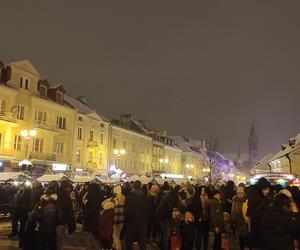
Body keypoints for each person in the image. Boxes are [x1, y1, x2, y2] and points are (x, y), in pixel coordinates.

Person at [124, 180, 153, 250]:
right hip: (143, 222)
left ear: (133, 187)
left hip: (131, 222)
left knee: (129, 241)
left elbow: (126, 211)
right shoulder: (146, 197)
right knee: (142, 242)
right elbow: (150, 210)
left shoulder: (129, 197)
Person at [246, 177, 271, 249]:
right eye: (265, 189)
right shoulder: (255, 198)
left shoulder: (264, 197)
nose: (267, 191)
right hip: (256, 224)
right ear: (260, 188)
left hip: (263, 227)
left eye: (268, 189)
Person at [35, 181, 59, 250]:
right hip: (53, 226)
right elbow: (59, 214)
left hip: (42, 226)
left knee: (42, 243)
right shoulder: (56, 202)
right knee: (52, 243)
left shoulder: (41, 202)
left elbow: (36, 215)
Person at [155, 185, 180, 250]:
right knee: (166, 235)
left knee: (162, 234)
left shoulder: (169, 195)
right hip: (163, 218)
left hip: (160, 216)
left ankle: (161, 246)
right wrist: (172, 216)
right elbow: (168, 209)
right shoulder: (171, 197)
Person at [56, 180, 75, 250]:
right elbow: (70, 212)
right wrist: (71, 225)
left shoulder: (55, 194)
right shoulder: (67, 197)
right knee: (59, 240)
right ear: (66, 187)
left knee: (53, 239)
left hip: (53, 221)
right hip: (62, 221)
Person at [191, 186, 210, 250]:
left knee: (206, 235)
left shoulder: (207, 198)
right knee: (199, 234)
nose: (203, 192)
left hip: (206, 219)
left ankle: (205, 247)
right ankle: (198, 247)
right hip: (199, 219)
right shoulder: (196, 198)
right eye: (202, 190)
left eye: (204, 190)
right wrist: (197, 217)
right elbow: (194, 209)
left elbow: (208, 208)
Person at [112, 185, 125, 250]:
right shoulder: (123, 198)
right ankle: (114, 247)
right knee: (117, 235)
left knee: (115, 236)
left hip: (117, 220)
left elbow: (116, 212)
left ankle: (118, 248)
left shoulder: (117, 200)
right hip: (122, 219)